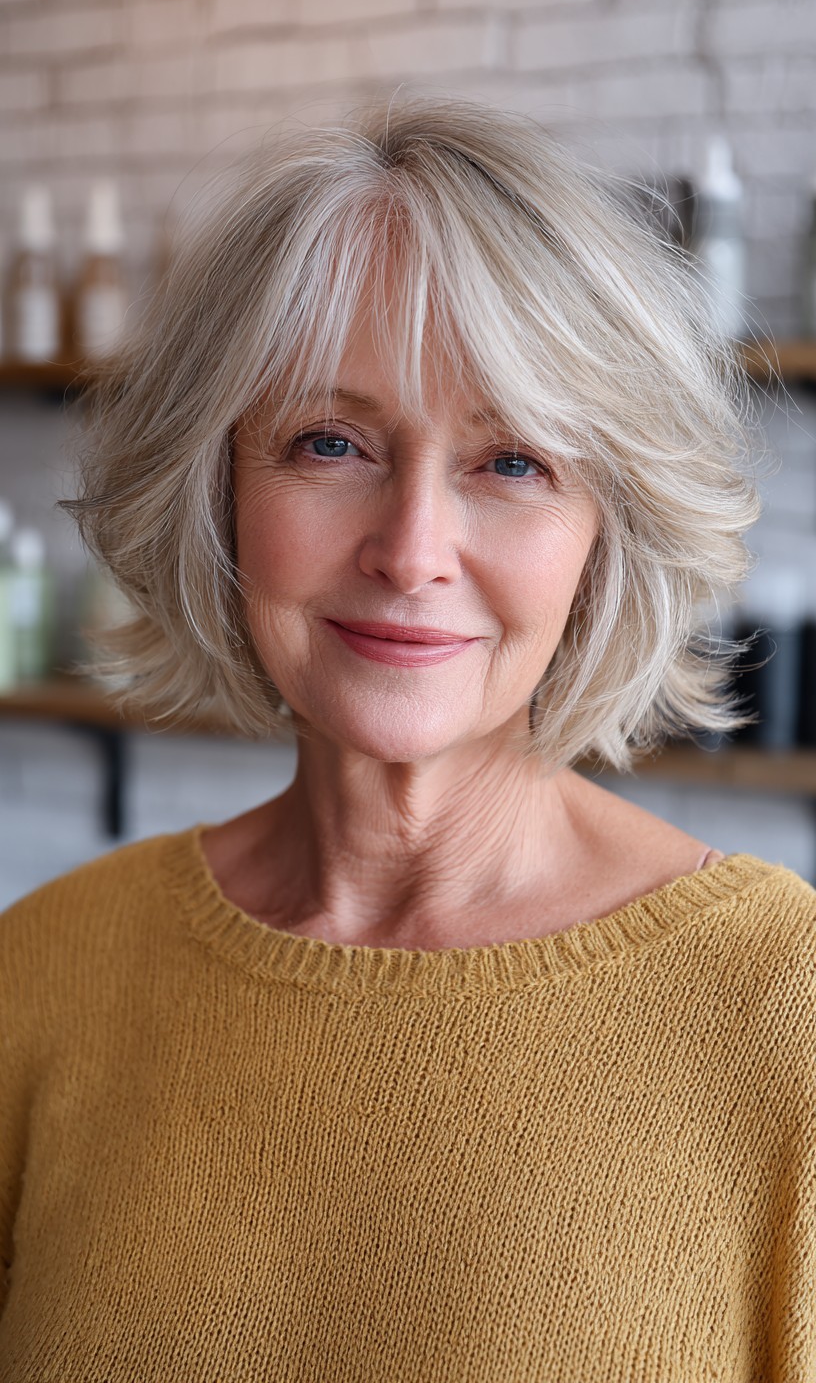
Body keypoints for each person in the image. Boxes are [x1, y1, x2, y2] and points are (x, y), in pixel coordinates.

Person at [1, 94, 814, 1382]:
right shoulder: (41, 972)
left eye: (514, 462)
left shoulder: (784, 1009)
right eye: (330, 444)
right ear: (219, 488)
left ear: (607, 531)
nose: (411, 552)